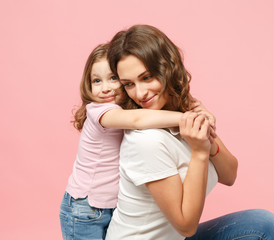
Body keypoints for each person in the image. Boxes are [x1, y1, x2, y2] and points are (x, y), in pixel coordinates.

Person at [105, 24, 274, 240]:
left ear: (167, 67)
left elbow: (230, 175)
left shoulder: (180, 113)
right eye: (129, 84)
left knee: (263, 223)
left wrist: (206, 136)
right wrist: (199, 152)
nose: (140, 93)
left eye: (147, 77)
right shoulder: (146, 141)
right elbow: (186, 226)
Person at [60, 43, 203, 240]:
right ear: (88, 85)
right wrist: (187, 118)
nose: (105, 88)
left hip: (108, 205)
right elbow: (139, 120)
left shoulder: (124, 109)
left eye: (113, 79)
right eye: (96, 81)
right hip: (85, 207)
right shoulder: (99, 111)